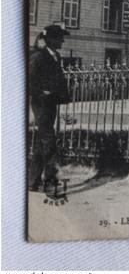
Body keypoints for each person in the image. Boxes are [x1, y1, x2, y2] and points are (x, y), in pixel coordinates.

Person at [28, 24, 71, 192]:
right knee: (49, 141)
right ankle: (50, 180)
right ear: (51, 39)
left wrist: (62, 95)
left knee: (41, 142)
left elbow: (57, 79)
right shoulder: (38, 56)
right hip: (41, 103)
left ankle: (32, 181)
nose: (62, 40)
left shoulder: (56, 56)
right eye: (60, 37)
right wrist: (42, 92)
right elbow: (30, 80)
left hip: (51, 102)